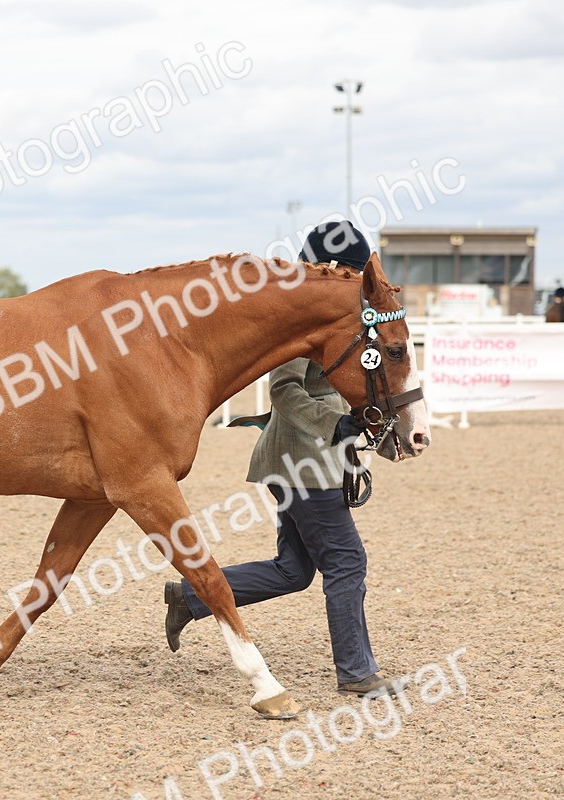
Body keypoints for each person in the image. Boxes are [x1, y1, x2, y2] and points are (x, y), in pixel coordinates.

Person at [164, 220, 405, 699]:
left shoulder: (345, 314)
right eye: (351, 272)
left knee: (293, 570)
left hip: (311, 459)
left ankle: (190, 596)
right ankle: (356, 672)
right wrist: (333, 425)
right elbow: (284, 388)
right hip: (302, 458)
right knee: (346, 561)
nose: (354, 284)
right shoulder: (302, 316)